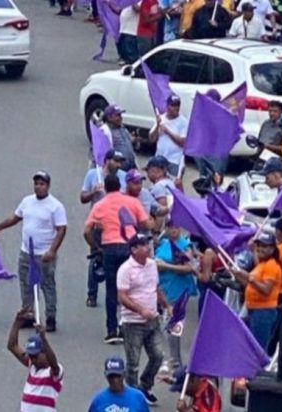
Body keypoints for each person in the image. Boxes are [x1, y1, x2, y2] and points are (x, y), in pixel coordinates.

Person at [0, 172, 67, 332]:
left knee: (47, 285)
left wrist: (52, 251)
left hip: (44, 254)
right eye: (36, 183)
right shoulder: (27, 202)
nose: (38, 186)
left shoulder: (55, 206)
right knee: (26, 284)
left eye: (42, 184)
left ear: (48, 186)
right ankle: (28, 314)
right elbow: (15, 217)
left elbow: (61, 230)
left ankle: (51, 317)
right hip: (26, 252)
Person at [84, 174, 155, 344]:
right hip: (129, 247)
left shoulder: (100, 205)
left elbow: (86, 231)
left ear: (106, 188)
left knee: (112, 290)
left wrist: (96, 247)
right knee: (130, 288)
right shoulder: (132, 202)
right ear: (120, 186)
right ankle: (128, 325)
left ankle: (111, 330)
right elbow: (147, 224)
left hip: (109, 247)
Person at [117, 232, 170, 406]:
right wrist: (140, 310)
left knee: (158, 356)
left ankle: (145, 386)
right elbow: (122, 297)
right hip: (133, 323)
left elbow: (155, 288)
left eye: (148, 244)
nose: (148, 248)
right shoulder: (125, 270)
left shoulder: (151, 265)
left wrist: (166, 305)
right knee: (133, 362)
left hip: (152, 320)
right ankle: (131, 396)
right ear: (134, 249)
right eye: (143, 245)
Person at [81, 150, 128, 308]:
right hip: (97, 224)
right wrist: (94, 191)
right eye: (116, 161)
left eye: (120, 161)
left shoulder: (123, 177)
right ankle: (91, 294)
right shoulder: (93, 174)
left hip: (116, 225)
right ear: (107, 160)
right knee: (95, 257)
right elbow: (82, 197)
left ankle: (115, 294)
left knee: (117, 262)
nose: (119, 165)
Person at [155, 225, 197, 372]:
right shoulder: (162, 244)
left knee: (174, 326)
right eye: (170, 228)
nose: (173, 231)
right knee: (165, 325)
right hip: (164, 288)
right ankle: (172, 358)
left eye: (176, 228)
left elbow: (189, 268)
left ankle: (175, 360)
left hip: (179, 289)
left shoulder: (185, 246)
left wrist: (167, 266)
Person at [231, 231, 282, 352]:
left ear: (272, 249)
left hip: (264, 311)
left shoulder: (272, 265)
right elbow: (250, 285)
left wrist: (249, 277)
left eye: (264, 246)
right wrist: (236, 274)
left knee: (258, 349)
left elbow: (265, 289)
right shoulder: (262, 264)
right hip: (254, 309)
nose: (260, 249)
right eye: (259, 246)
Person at [8, 309, 63, 412]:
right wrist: (17, 323)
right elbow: (12, 346)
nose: (32, 360)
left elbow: (54, 364)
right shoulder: (32, 366)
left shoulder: (53, 373)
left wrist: (44, 338)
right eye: (31, 356)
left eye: (35, 356)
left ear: (44, 352)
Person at [148, 94, 187, 179]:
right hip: (159, 158)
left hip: (174, 161)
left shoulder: (183, 122)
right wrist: (158, 125)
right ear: (167, 106)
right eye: (173, 105)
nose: (176, 108)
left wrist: (167, 131)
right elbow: (151, 138)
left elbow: (183, 142)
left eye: (178, 105)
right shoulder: (161, 118)